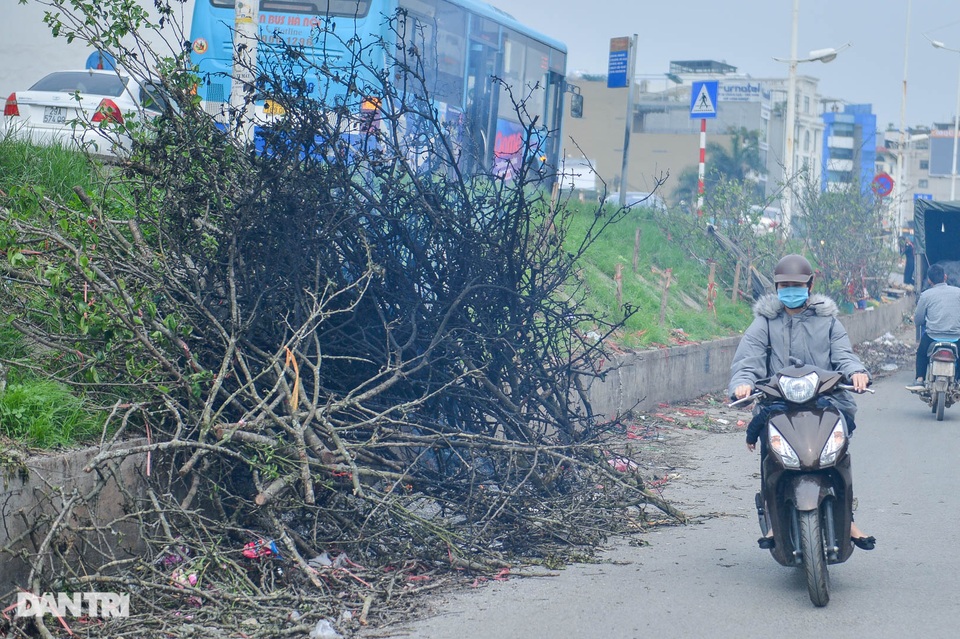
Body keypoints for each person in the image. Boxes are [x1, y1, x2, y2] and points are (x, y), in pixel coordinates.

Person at [728, 254, 875, 551]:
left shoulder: (828, 321)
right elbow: (748, 359)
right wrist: (742, 383)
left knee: (839, 454)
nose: (790, 290)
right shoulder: (764, 322)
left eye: (796, 284)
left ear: (810, 284)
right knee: (771, 453)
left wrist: (856, 372)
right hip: (778, 403)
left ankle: (848, 519)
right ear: (776, 287)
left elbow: (844, 355)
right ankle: (772, 518)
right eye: (784, 285)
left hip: (825, 401)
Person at [905, 263, 960, 392]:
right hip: (956, 337)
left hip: (932, 337)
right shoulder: (958, 292)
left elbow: (918, 319)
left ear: (929, 280)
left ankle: (919, 380)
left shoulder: (926, 295)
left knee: (921, 354)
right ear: (945, 277)